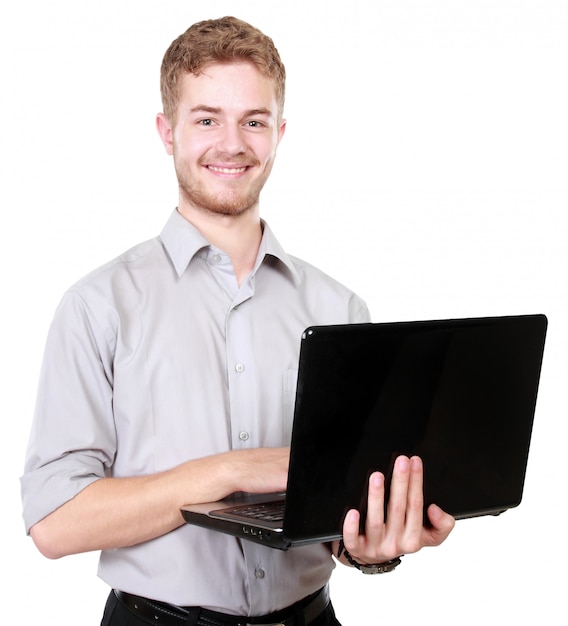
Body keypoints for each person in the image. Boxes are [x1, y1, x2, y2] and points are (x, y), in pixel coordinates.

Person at [21, 16, 455, 626]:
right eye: (206, 120)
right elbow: (54, 522)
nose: (232, 144)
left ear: (279, 132)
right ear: (166, 132)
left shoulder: (339, 309)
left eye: (252, 121)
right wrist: (227, 472)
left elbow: (338, 511)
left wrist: (369, 547)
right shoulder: (97, 306)